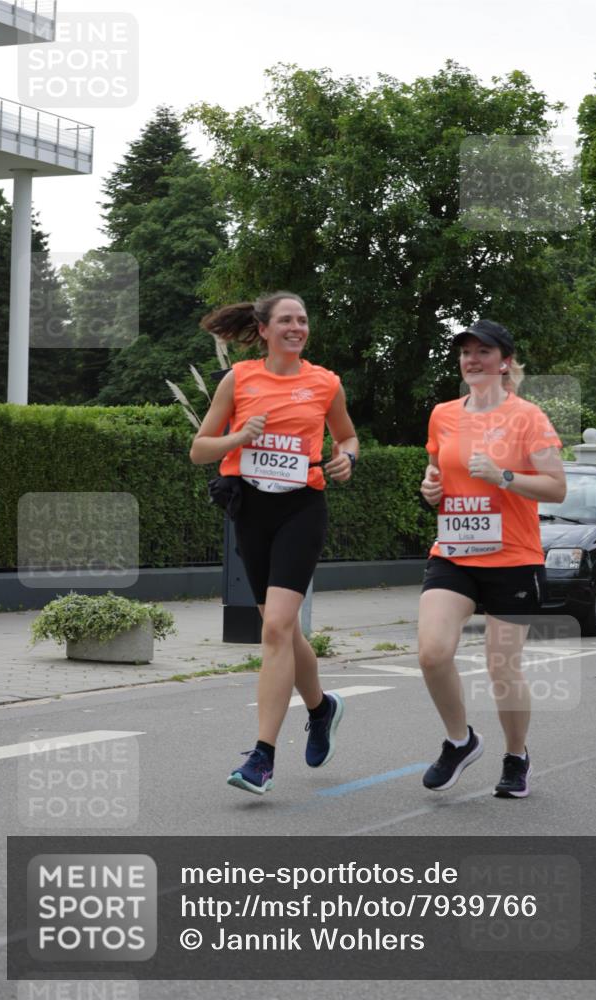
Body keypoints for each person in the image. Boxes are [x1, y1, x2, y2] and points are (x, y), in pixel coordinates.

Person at [190, 292, 359, 795]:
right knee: (279, 630)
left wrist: (349, 458)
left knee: (278, 628)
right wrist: (238, 438)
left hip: (301, 509)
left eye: (303, 320)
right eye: (286, 320)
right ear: (263, 329)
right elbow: (201, 449)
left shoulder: (325, 382)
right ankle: (321, 708)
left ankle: (261, 757)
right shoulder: (239, 378)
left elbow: (347, 437)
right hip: (253, 510)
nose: (296, 327)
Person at [418, 319, 565, 798]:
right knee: (432, 653)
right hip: (456, 552)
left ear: (505, 362)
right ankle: (460, 741)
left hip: (513, 557)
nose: (472, 359)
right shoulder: (442, 414)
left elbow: (556, 488)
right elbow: (436, 475)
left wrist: (504, 476)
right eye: (466, 352)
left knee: (502, 666)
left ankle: (516, 756)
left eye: (484, 352)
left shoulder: (529, 417)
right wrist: (430, 488)